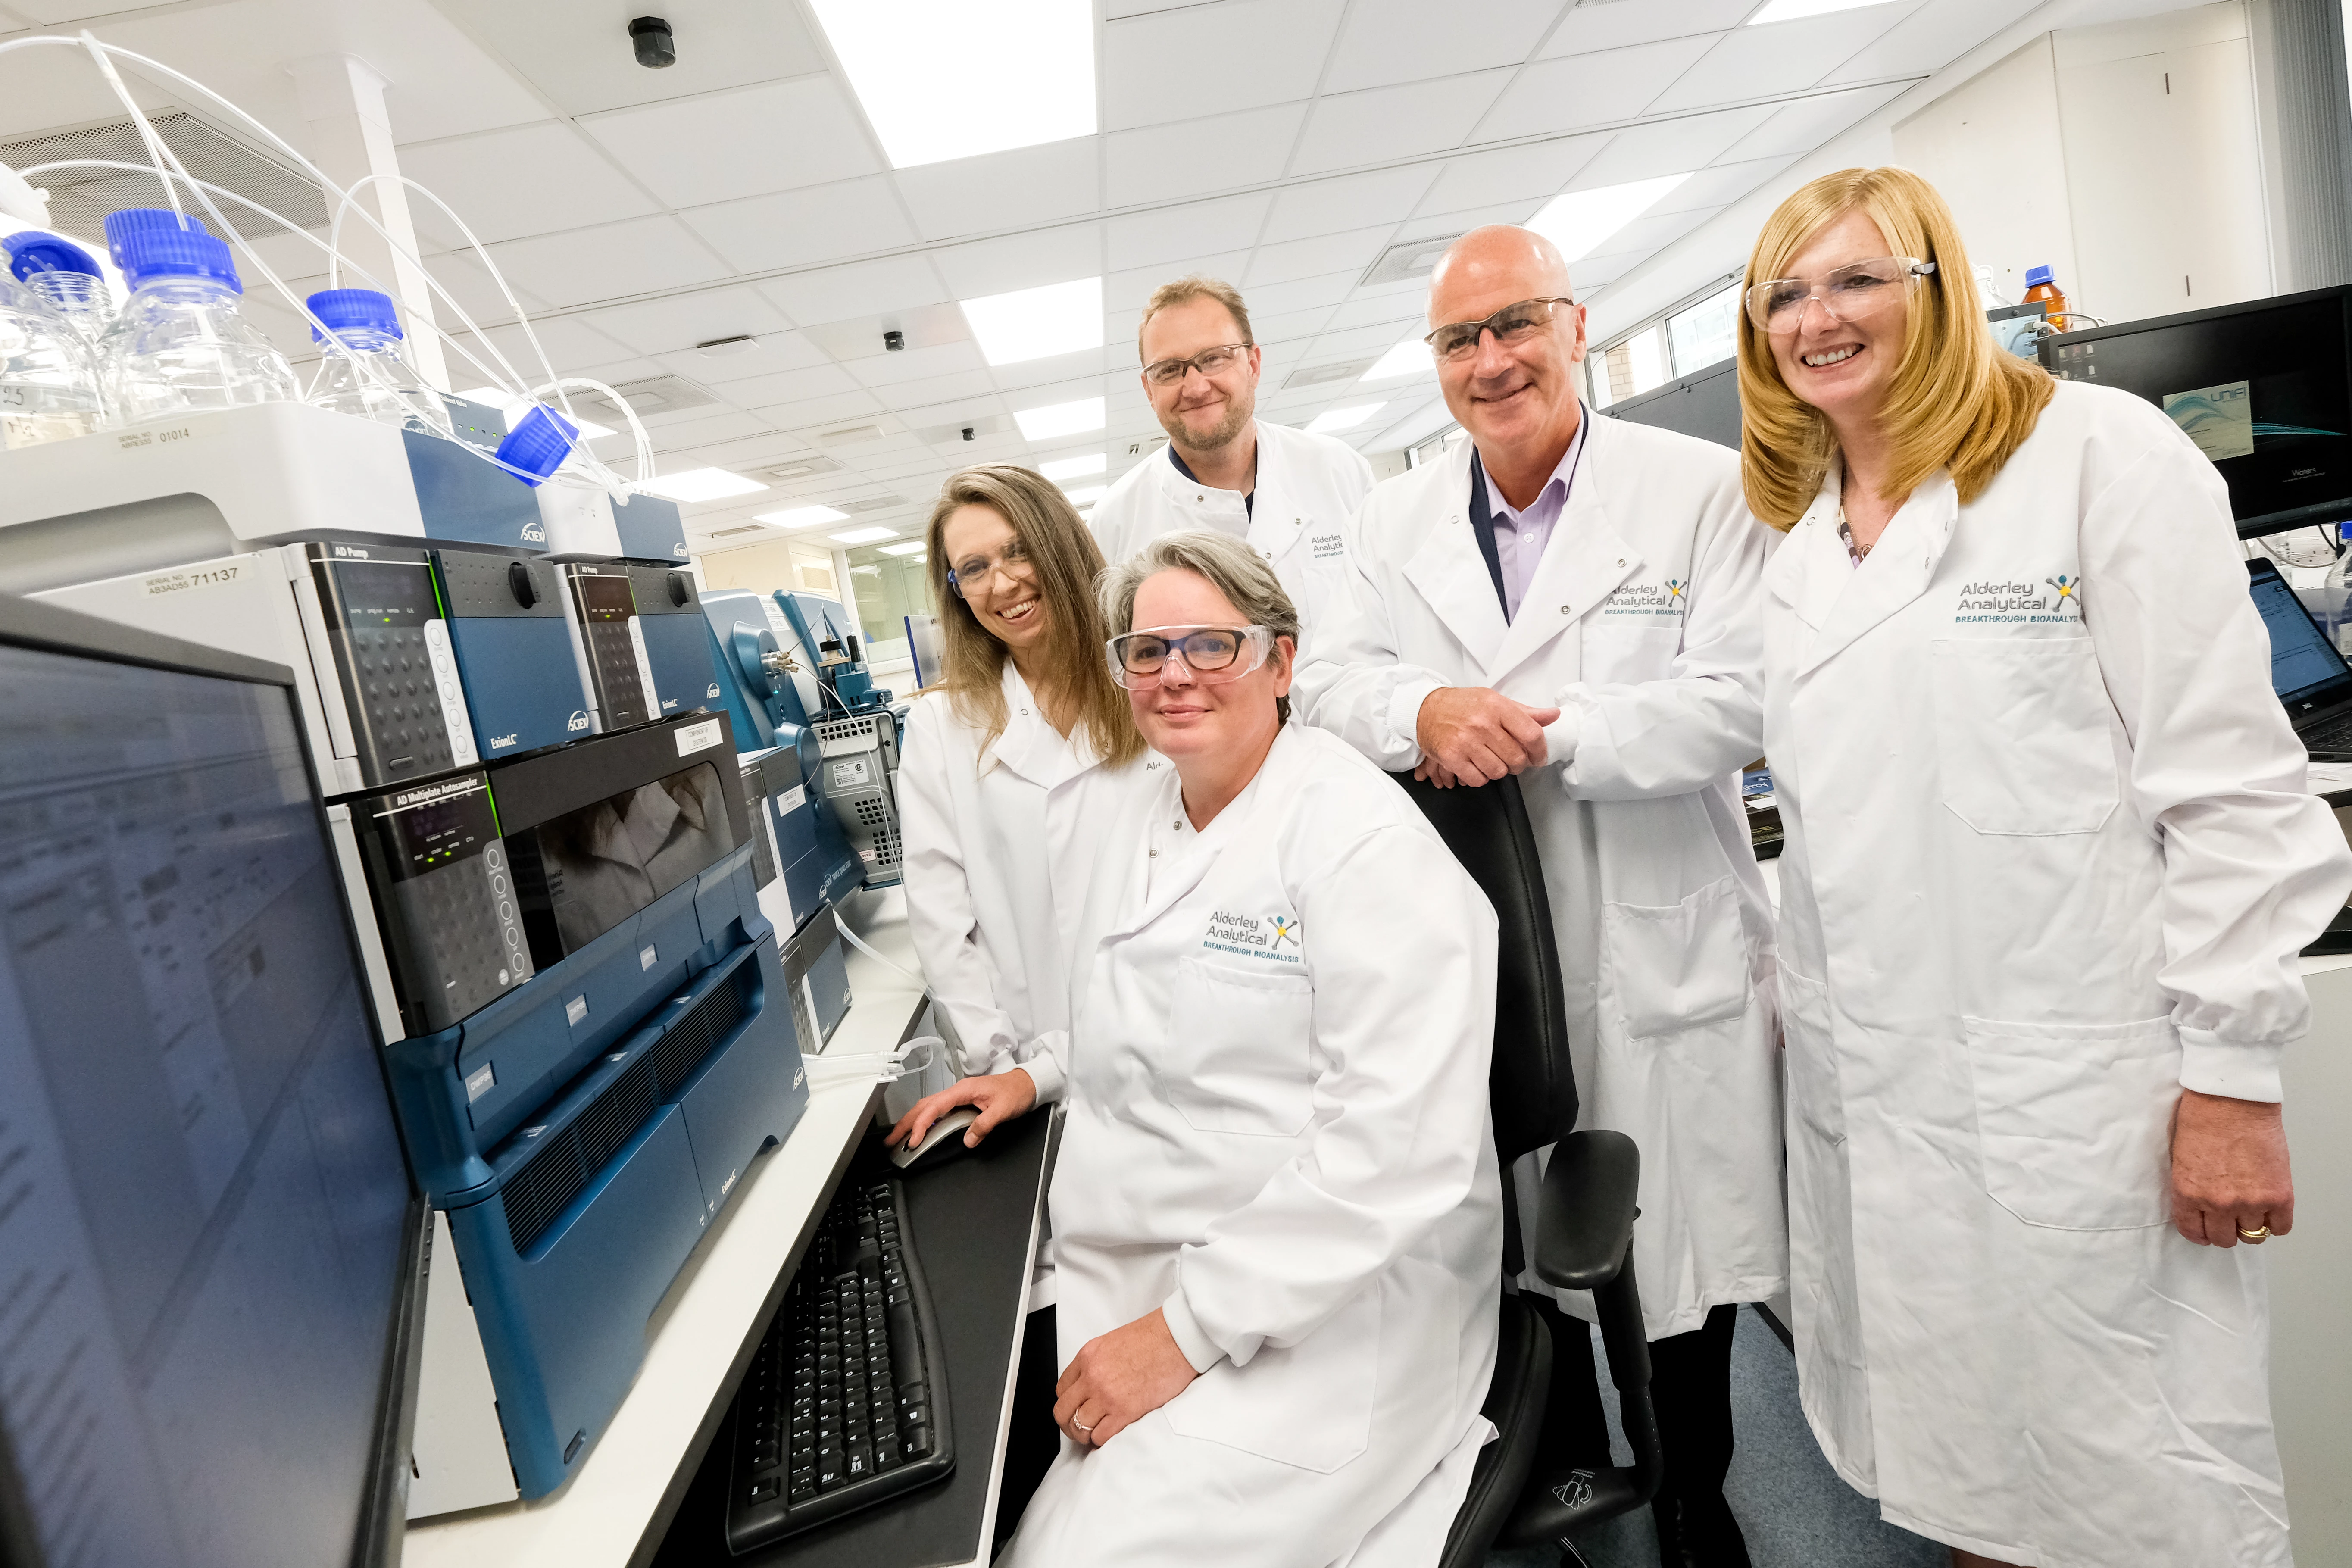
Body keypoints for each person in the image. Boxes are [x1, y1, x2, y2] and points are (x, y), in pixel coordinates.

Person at [1740, 166, 2352, 1568]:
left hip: (2081, 1102)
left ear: (1935, 289)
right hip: (1888, 1114)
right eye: (1783, 292)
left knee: (2134, 1489)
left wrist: (2231, 1080)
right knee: (1975, 1481)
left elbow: (2235, 796)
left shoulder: (2097, 455)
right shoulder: (1803, 542)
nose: (1814, 317)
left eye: (1852, 279)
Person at [1296, 224, 1784, 1565]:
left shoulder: (1702, 490)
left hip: (1659, 940)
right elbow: (1329, 688)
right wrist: (1427, 704)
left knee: (1679, 1282)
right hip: (1481, 960)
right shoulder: (1386, 524)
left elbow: (1741, 701)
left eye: (1517, 324)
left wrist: (1545, 732)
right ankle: (1568, 1495)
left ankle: (1698, 1506)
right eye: (1460, 339)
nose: (1491, 359)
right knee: (1519, 1270)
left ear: (1579, 328)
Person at [892, 531, 1503, 1566]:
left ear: (1280, 659)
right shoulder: (1149, 811)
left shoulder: (1358, 842)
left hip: (1328, 1299)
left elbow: (1394, 1148)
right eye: (1145, 649)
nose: (1173, 673)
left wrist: (1181, 1333)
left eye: (1210, 644)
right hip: (1164, 1258)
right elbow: (1144, 1014)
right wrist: (1033, 1071)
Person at [892, 464, 1149, 1529]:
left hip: (1156, 1060)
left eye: (1012, 550)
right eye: (971, 569)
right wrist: (1007, 1066)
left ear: (1059, 540)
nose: (1000, 582)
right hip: (1029, 1087)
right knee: (1056, 1369)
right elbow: (941, 916)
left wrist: (1062, 1060)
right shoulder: (943, 726)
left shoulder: (1146, 684)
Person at [1088, 275, 1374, 644]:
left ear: (1253, 364)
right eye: (1168, 371)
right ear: (1148, 389)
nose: (1194, 387)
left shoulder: (1339, 471)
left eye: (1213, 359)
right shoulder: (1114, 522)